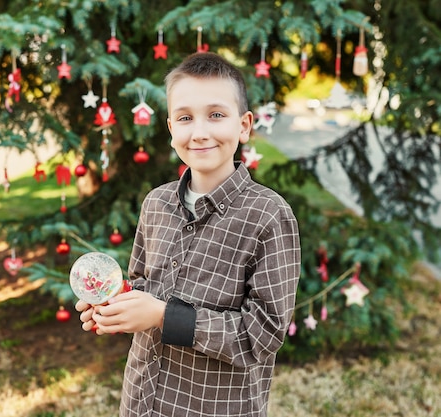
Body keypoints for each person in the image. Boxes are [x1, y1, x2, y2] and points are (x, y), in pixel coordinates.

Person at [76, 52, 301, 417]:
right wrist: (114, 305)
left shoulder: (269, 216)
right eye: (185, 118)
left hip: (216, 408)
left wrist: (165, 316)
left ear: (244, 125)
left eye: (216, 115)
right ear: (170, 129)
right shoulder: (156, 204)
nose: (199, 132)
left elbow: (264, 334)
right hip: (142, 401)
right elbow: (144, 286)